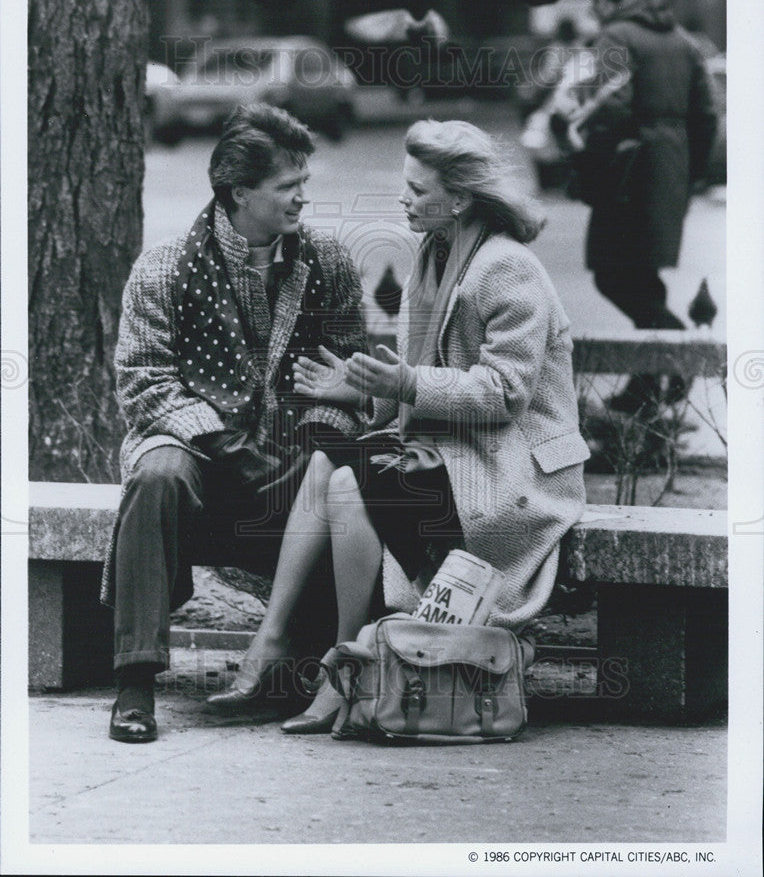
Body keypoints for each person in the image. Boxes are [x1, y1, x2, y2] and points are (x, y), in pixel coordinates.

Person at [207, 118, 590, 733]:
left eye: (417, 189)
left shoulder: (505, 267)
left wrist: (401, 384)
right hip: (457, 454)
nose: (404, 199)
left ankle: (330, 662)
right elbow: (414, 387)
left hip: (512, 473)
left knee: (343, 476)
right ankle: (315, 652)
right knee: (333, 465)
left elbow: (504, 393)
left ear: (459, 200)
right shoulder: (434, 257)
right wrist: (359, 391)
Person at [102, 103, 367, 743]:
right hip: (199, 461)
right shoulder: (164, 267)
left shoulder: (326, 263)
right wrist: (224, 441)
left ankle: (304, 667)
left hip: (291, 467)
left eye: (304, 182)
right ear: (239, 191)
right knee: (157, 475)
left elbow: (349, 379)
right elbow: (142, 381)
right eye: (287, 186)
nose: (303, 198)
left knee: (341, 477)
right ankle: (135, 684)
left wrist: (317, 430)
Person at [573, 0, 718, 412]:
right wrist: (686, 170)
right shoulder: (684, 40)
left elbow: (610, 105)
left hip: (628, 167)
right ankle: (647, 384)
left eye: (594, 3)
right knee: (640, 273)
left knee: (612, 271)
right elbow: (708, 114)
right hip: (670, 166)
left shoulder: (615, 34)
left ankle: (675, 350)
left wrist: (587, 155)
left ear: (604, 1)